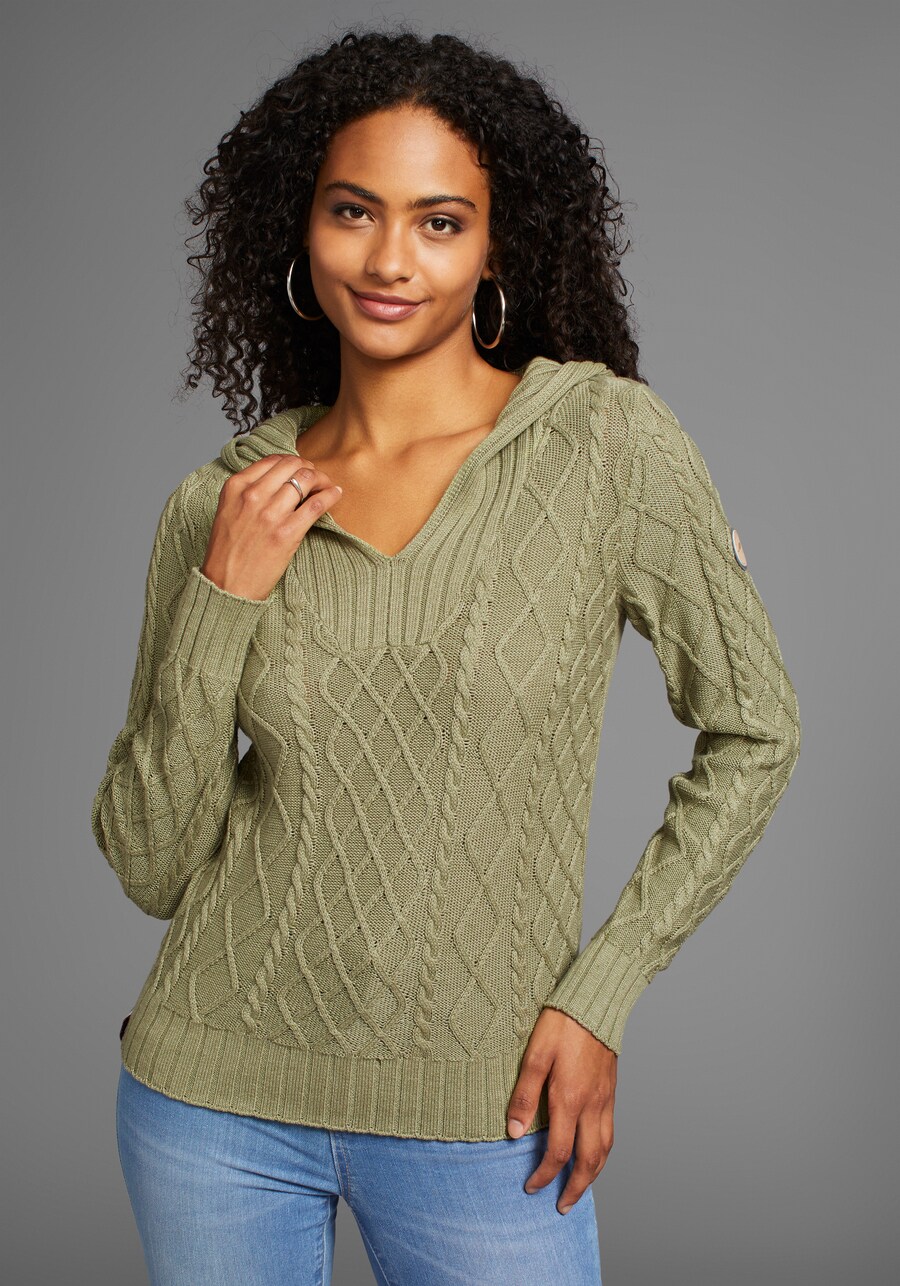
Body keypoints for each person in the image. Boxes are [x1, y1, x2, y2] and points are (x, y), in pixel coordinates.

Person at [91, 25, 802, 1286]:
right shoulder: (225, 501)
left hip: (485, 1105)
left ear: (496, 246)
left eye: (438, 222)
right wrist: (221, 596)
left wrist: (600, 993)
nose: (388, 259)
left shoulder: (605, 446)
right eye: (352, 211)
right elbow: (152, 865)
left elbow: (758, 726)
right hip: (209, 1098)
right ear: (299, 229)